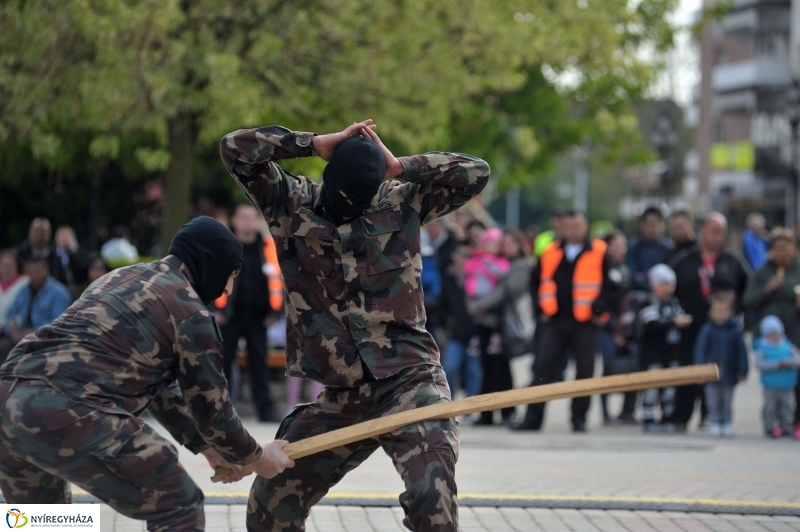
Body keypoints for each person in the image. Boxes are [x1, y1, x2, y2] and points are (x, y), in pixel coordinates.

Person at [220, 119, 490, 531]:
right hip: (342, 395)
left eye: (360, 202)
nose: (350, 208)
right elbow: (234, 149)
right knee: (270, 505)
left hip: (410, 383)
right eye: (342, 199)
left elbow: (476, 173)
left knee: (430, 499)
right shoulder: (289, 202)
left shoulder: (401, 202)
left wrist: (402, 167)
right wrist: (311, 143)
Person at [0, 216, 294, 530]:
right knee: (179, 505)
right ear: (212, 264)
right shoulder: (190, 313)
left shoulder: (118, 278)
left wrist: (206, 447)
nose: (227, 289)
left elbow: (161, 392)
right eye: (230, 275)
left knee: (42, 521)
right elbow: (214, 413)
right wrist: (257, 457)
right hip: (69, 408)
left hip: (7, 399)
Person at [515, 210, 612, 432]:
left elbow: (611, 287)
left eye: (577, 225)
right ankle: (533, 418)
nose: (572, 230)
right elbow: (535, 282)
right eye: (568, 226)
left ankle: (579, 419)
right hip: (556, 321)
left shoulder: (599, 251)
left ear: (586, 227)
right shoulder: (550, 251)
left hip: (587, 322)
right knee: (543, 369)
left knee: (585, 371)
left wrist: (598, 311)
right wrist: (540, 309)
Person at [667, 212, 749, 431]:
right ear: (702, 230)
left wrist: (737, 313)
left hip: (720, 328)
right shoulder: (684, 259)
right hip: (689, 327)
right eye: (714, 231)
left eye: (722, 232)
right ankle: (680, 417)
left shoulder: (733, 261)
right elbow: (669, 290)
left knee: (716, 373)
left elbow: (745, 291)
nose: (718, 237)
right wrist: (674, 316)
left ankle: (711, 416)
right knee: (686, 372)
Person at [214, 204, 283, 422]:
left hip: (259, 318)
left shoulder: (268, 247)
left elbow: (280, 280)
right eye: (243, 217)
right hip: (228, 317)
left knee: (259, 365)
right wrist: (215, 309)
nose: (247, 221)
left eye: (252, 217)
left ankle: (266, 412)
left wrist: (276, 312)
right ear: (234, 221)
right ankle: (221, 411)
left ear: (258, 221)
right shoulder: (224, 245)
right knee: (223, 364)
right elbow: (211, 277)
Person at [468, 228, 532, 425]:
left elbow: (507, 291)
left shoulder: (519, 265)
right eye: (504, 243)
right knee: (489, 367)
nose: (506, 247)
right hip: (490, 323)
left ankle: (506, 412)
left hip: (503, 323)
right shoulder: (499, 263)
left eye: (511, 243)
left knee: (501, 369)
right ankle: (488, 413)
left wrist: (478, 305)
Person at [741, 228, 800, 432]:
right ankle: (773, 423)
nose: (782, 252)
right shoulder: (763, 272)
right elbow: (748, 301)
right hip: (768, 338)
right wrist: (767, 288)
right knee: (774, 383)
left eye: (787, 247)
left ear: (794, 249)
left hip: (794, 334)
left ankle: (794, 421)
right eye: (778, 248)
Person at [639, 264, 693, 432]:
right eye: (663, 284)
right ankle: (648, 418)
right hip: (653, 355)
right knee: (652, 387)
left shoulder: (674, 303)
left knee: (670, 389)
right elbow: (651, 324)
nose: (667, 289)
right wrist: (674, 322)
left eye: (670, 284)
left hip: (671, 354)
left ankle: (668, 418)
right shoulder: (649, 302)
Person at [693, 292, 748, 437]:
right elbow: (700, 351)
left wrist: (743, 370)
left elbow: (742, 352)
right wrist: (699, 370)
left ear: (731, 312)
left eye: (724, 311)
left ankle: (726, 422)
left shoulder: (735, 331)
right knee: (712, 400)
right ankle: (715, 422)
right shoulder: (707, 330)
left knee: (727, 400)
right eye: (717, 311)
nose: (720, 314)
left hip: (729, 373)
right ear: (711, 312)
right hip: (711, 374)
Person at [1, 257, 72, 364]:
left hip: (47, 341)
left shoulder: (59, 293)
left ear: (46, 271)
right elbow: (11, 314)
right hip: (21, 338)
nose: (35, 275)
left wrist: (34, 332)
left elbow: (59, 325)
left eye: (38, 271)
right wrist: (12, 329)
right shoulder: (23, 291)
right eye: (31, 271)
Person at [599, 230, 637, 425]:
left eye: (623, 246)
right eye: (616, 246)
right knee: (608, 368)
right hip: (607, 328)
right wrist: (614, 330)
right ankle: (605, 414)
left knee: (634, 367)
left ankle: (627, 411)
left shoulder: (626, 271)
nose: (621, 250)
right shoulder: (600, 271)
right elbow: (602, 304)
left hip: (626, 329)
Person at [754, 315, 800, 439]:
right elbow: (759, 363)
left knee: (788, 408)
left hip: (787, 385)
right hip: (770, 385)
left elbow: (798, 359)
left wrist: (787, 363)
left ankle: (787, 428)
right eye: (771, 333)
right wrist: (775, 365)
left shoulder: (787, 346)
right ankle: (769, 428)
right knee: (770, 409)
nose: (775, 336)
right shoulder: (762, 347)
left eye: (777, 332)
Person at [627, 206, 672, 291]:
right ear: (642, 225)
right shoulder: (633, 247)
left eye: (655, 224)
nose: (652, 228)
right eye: (649, 224)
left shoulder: (668, 248)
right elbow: (632, 274)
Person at [14, 217, 67, 289]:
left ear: (49, 234)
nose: (40, 236)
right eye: (37, 232)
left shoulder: (57, 256)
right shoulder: (20, 255)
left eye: (43, 233)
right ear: (30, 233)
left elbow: (64, 280)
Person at [54, 225, 91, 299]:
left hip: (77, 290)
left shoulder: (80, 254)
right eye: (61, 236)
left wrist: (74, 253)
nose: (64, 239)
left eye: (67, 236)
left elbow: (82, 272)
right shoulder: (53, 254)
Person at [0, 251, 27, 339]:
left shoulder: (25, 283)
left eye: (10, 265)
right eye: (4, 265)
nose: (7, 269)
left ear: (17, 266)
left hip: (11, 331)